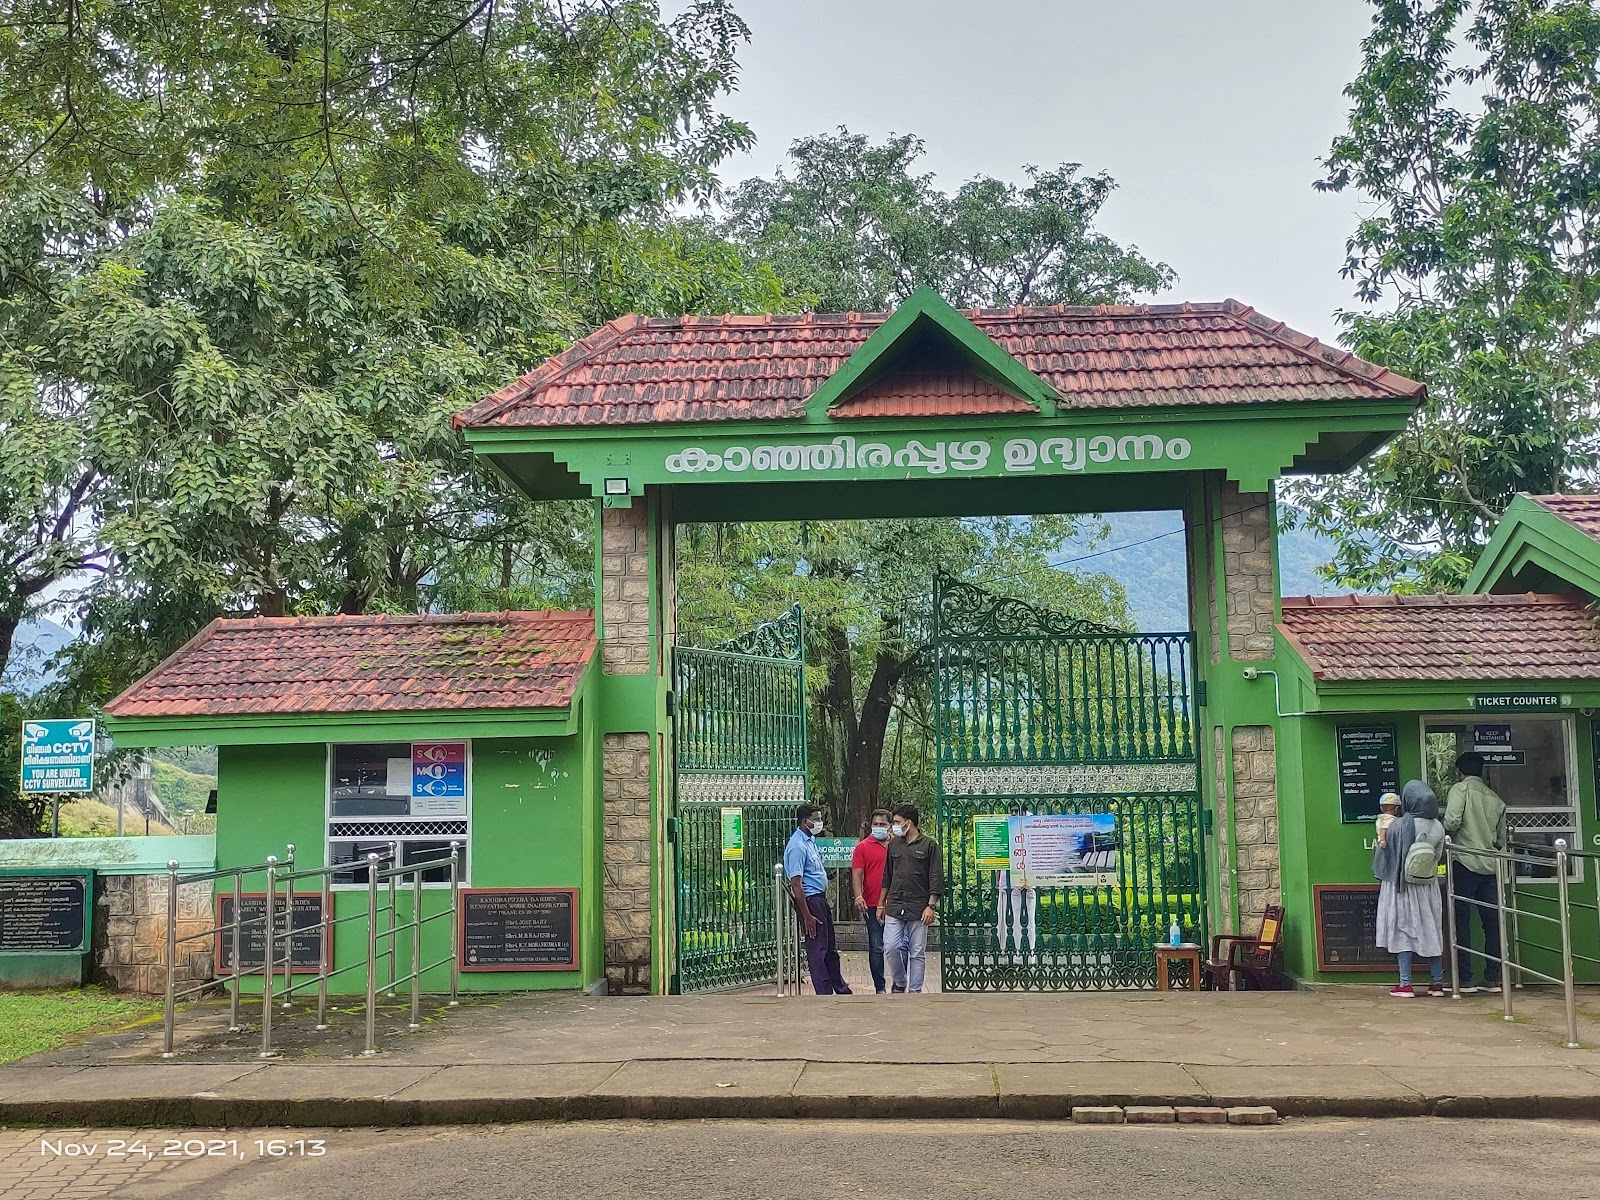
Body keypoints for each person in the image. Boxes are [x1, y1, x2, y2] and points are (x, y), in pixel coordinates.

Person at [1373, 779, 1447, 998]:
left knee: (1402, 931)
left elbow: (1386, 855)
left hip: (1400, 886)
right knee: (1430, 930)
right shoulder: (1437, 826)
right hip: (1427, 886)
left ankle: (1405, 984)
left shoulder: (1399, 824)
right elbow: (1439, 855)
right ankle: (1437, 983)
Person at [1444, 751, 1508, 994]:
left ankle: (1465, 978)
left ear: (1460, 771)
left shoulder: (1460, 790)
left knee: (1460, 921)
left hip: (1464, 862)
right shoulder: (1495, 799)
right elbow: (1501, 839)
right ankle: (1492, 978)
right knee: (1491, 922)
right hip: (1490, 866)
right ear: (1481, 772)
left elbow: (1451, 822)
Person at [784, 803, 851, 995]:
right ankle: (824, 993)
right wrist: (806, 915)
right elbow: (796, 883)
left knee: (830, 948)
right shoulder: (797, 846)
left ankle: (840, 988)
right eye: (817, 819)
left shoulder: (809, 841)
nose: (820, 823)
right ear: (805, 822)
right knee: (818, 950)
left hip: (819, 900)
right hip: (810, 901)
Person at [877, 803, 942, 994]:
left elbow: (936, 877)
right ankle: (899, 981)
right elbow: (887, 876)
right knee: (890, 947)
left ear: (908, 822)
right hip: (895, 904)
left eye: (896, 822)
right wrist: (881, 903)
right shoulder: (894, 845)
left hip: (919, 906)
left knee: (917, 952)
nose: (893, 826)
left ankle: (915, 992)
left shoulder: (930, 845)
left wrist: (931, 906)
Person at [851, 808, 893, 994]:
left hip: (897, 904)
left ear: (890, 826)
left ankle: (901, 983)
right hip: (872, 904)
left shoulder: (898, 845)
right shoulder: (863, 847)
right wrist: (858, 896)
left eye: (882, 824)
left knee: (898, 946)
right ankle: (880, 987)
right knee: (876, 946)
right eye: (875, 824)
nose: (878, 828)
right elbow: (857, 874)